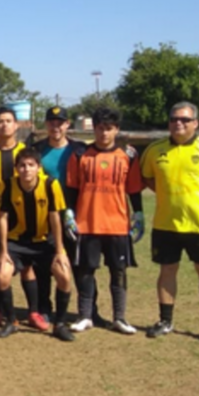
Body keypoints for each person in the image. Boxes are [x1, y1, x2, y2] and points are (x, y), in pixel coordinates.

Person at [140, 101, 199, 342]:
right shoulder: (154, 150)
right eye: (173, 119)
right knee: (167, 270)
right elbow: (148, 179)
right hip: (165, 223)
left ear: (195, 123)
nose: (178, 123)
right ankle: (165, 321)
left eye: (184, 119)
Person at [65, 107, 145, 335]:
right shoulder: (80, 154)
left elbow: (134, 190)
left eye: (109, 129)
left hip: (117, 225)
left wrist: (138, 214)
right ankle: (85, 315)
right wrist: (69, 213)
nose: (104, 133)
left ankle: (119, 317)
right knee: (85, 271)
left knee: (118, 271)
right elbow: (71, 188)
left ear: (116, 130)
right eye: (100, 128)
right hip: (87, 223)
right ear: (95, 128)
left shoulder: (128, 156)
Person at [0, 148, 75, 341]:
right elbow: (3, 218)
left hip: (44, 242)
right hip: (17, 242)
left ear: (38, 168)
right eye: (22, 165)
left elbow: (56, 218)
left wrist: (59, 250)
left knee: (64, 276)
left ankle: (60, 324)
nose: (26, 169)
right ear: (16, 168)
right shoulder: (8, 185)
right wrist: (3, 250)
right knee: (2, 275)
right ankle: (11, 321)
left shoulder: (50, 185)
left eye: (31, 165)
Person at [32, 106, 87, 323]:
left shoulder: (80, 149)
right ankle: (45, 308)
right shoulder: (36, 149)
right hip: (44, 216)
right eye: (51, 122)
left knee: (78, 264)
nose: (56, 126)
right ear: (46, 125)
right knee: (44, 266)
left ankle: (86, 310)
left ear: (67, 124)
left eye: (60, 122)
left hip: (73, 214)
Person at [0, 106, 25, 184]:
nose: (5, 124)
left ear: (16, 125)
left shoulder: (25, 151)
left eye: (8, 121)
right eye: (1, 121)